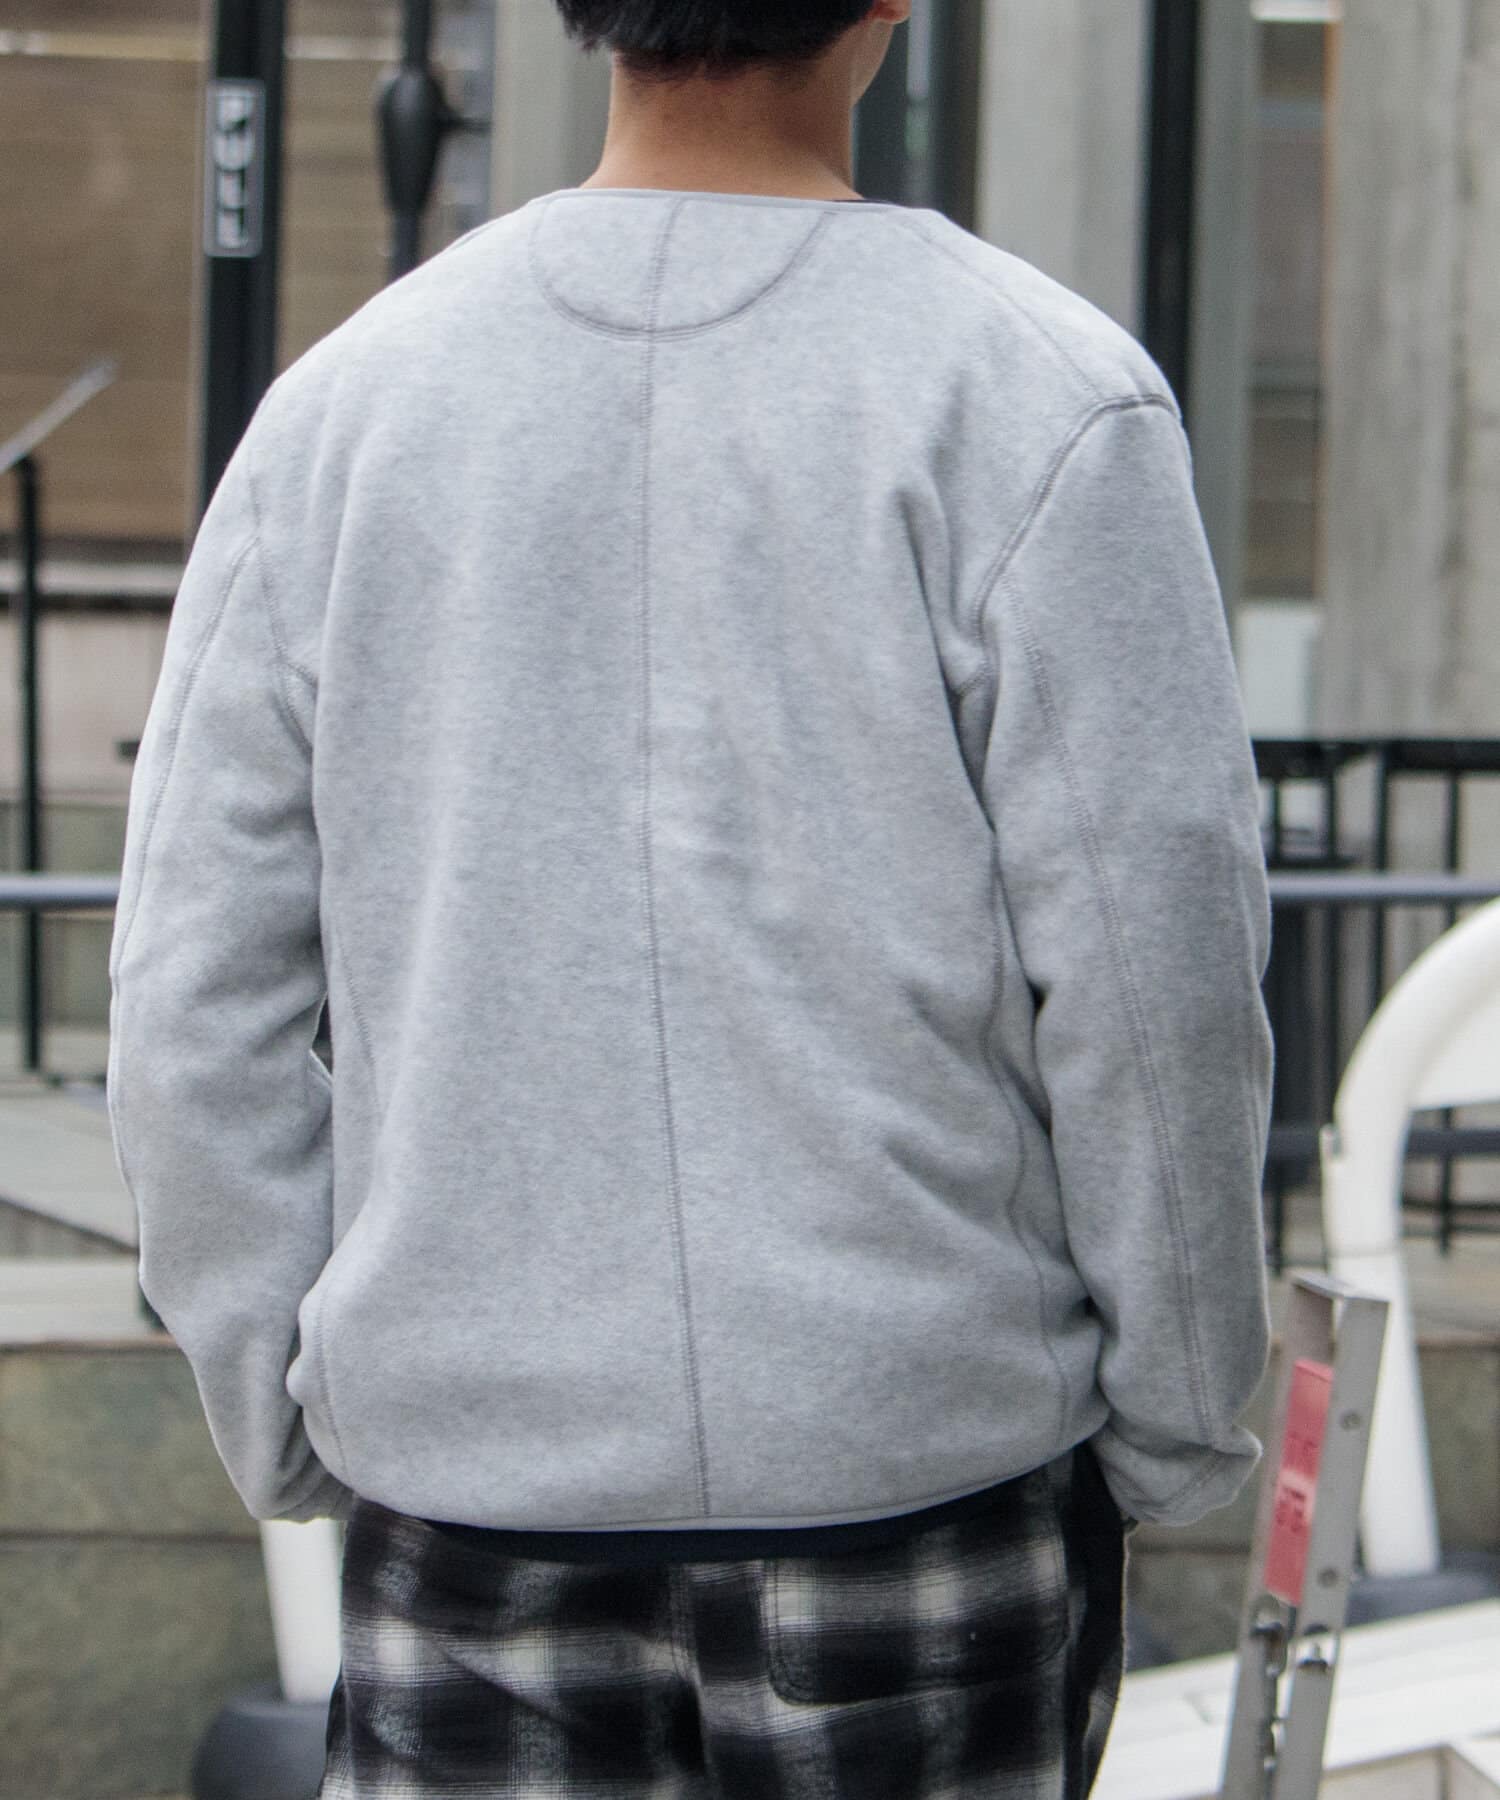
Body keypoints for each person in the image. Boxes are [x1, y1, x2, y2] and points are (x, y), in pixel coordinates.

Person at [106, 2, 1275, 1794]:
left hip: (471, 1487)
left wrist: (293, 1397)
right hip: (915, 1457)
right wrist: (1180, 1419)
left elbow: (192, 1002)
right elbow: (1157, 980)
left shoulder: (343, 411)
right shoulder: (1039, 394)